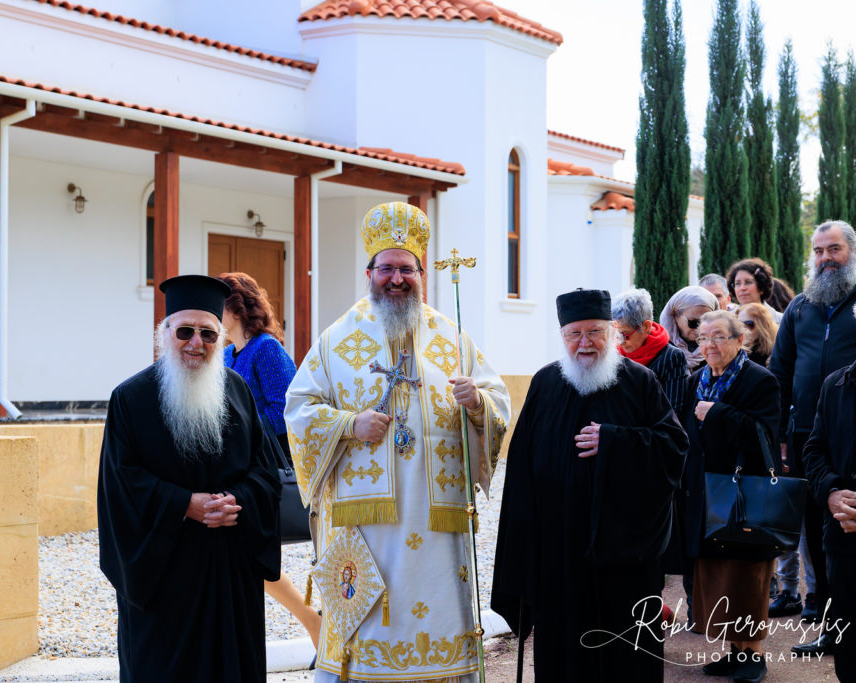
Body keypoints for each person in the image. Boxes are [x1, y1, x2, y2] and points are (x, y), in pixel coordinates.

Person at [284, 202, 511, 682]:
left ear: (421, 275)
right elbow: (298, 409)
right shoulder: (337, 339)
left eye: (407, 269)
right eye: (386, 268)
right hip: (367, 527)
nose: (396, 278)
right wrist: (350, 424)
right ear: (369, 273)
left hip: (438, 522)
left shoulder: (450, 336)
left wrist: (476, 402)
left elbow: (496, 401)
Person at [492, 288, 688, 683]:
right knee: (565, 655)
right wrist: (524, 544)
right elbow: (521, 472)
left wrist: (615, 441)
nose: (585, 343)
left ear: (612, 333)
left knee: (626, 660)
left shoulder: (640, 381)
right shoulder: (545, 383)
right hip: (559, 553)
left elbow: (674, 448)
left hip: (625, 556)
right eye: (574, 334)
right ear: (562, 337)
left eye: (595, 332)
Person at [98, 274, 282, 683]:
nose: (196, 343)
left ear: (220, 338)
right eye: (185, 331)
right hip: (164, 576)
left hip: (231, 571)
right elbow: (120, 485)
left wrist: (237, 501)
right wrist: (185, 504)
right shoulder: (130, 398)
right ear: (165, 334)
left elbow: (266, 470)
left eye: (208, 333)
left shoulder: (238, 391)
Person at [769, 220, 856, 654]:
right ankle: (832, 626)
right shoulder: (800, 307)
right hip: (809, 439)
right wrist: (779, 436)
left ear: (855, 251)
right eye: (818, 251)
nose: (825, 258)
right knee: (820, 534)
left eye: (834, 249)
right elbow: (779, 372)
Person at [218, 271, 322, 649]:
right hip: (234, 468)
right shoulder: (225, 354)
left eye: (218, 303)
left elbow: (286, 414)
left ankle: (314, 622)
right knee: (242, 554)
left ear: (237, 307)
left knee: (249, 552)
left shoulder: (266, 349)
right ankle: (312, 623)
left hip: (264, 471)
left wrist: (239, 427)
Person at [680, 310, 780, 682]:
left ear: (739, 340)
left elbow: (764, 434)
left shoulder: (760, 380)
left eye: (719, 336)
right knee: (717, 574)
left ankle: (754, 655)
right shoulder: (695, 381)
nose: (709, 345)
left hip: (746, 494)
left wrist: (718, 414)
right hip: (706, 493)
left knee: (747, 574)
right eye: (703, 338)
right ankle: (735, 651)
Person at [802, 277, 856, 683]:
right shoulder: (835, 384)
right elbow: (814, 451)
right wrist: (831, 493)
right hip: (843, 545)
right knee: (852, 657)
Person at [612, 288, 689, 416]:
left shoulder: (671, 357)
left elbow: (672, 412)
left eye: (624, 335)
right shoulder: (613, 356)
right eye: (615, 334)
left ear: (646, 326)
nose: (619, 342)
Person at [660, 285, 720, 371]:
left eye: (706, 322)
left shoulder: (720, 349)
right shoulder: (660, 350)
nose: (699, 329)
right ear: (676, 315)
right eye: (693, 322)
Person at [726, 257, 783, 323]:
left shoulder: (781, 320)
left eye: (748, 282)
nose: (742, 288)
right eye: (737, 283)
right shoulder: (727, 321)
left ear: (761, 287)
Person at [736, 302, 777, 367]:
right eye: (739, 324)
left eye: (749, 324)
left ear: (762, 326)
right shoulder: (736, 355)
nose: (743, 329)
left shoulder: (776, 356)